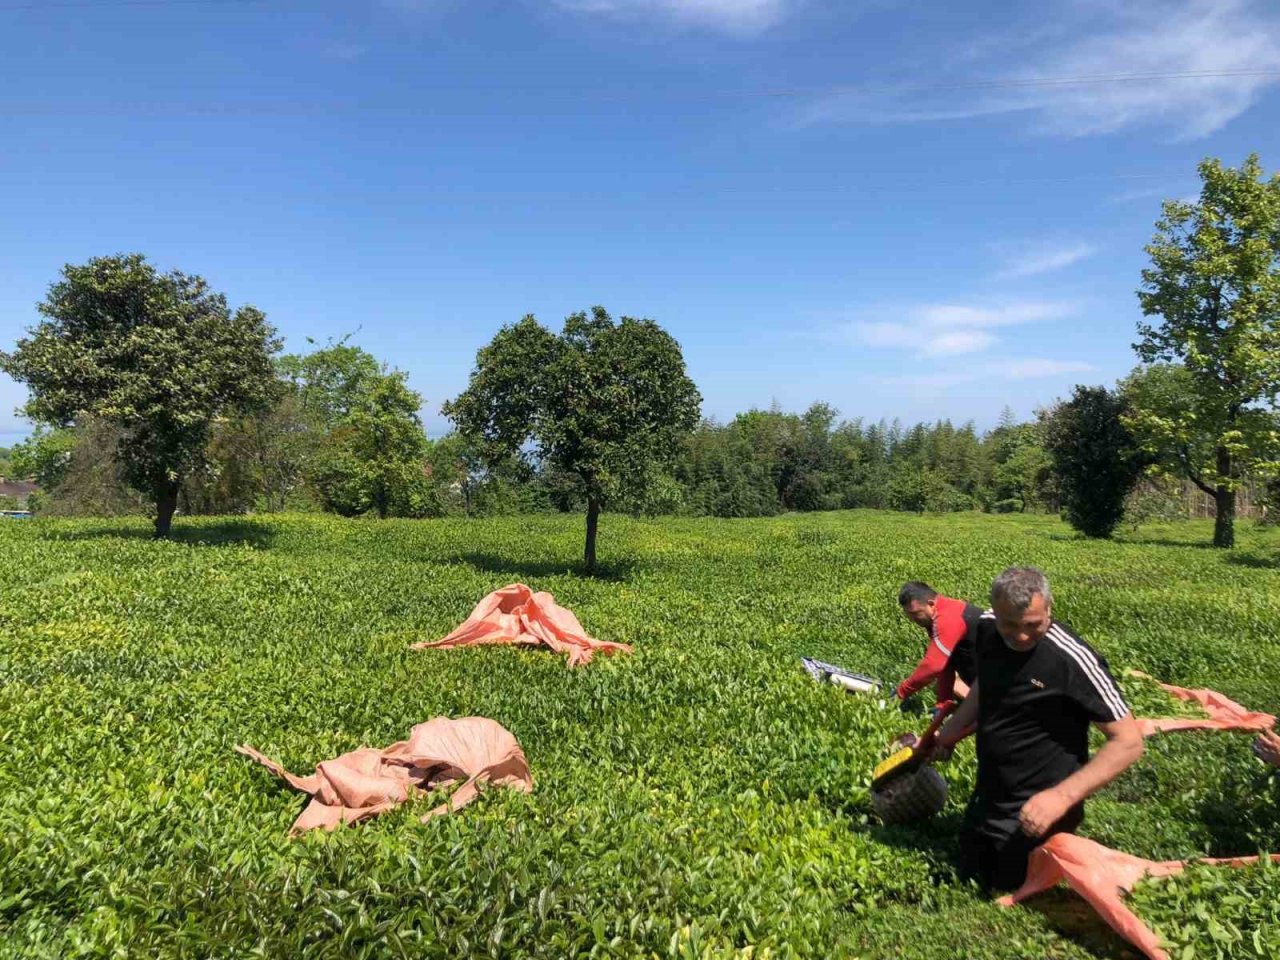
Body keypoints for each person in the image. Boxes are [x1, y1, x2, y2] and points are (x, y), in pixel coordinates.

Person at [933, 566, 1144, 892]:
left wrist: (1061, 797)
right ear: (995, 611)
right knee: (968, 875)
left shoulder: (1072, 659)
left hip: (1041, 807)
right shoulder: (987, 630)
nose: (1020, 636)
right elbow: (985, 682)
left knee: (1010, 887)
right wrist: (952, 729)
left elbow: (1128, 741)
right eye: (1010, 625)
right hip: (990, 794)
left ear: (1049, 608)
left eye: (1033, 625)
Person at [894, 581, 981, 707]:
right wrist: (942, 704)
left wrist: (900, 693)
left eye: (915, 613)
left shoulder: (947, 618)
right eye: (909, 615)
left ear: (931, 604)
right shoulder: (938, 614)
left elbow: (933, 666)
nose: (912, 620)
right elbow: (946, 665)